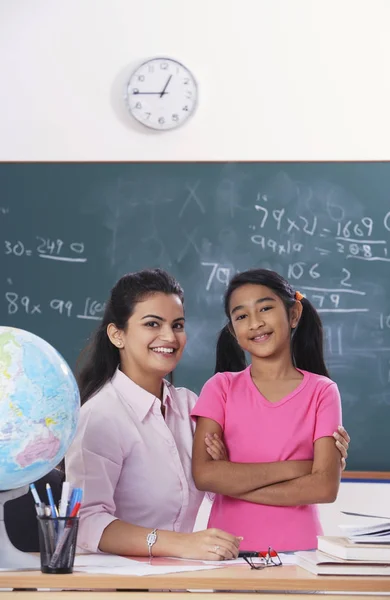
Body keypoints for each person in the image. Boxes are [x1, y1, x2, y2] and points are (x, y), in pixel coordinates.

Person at [66, 268, 349, 560]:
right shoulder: (99, 416)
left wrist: (322, 467)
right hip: (119, 580)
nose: (169, 336)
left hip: (179, 575)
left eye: (177, 325)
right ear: (117, 335)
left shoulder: (188, 407)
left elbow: (220, 483)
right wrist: (303, 466)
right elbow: (86, 521)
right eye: (152, 324)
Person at [191, 268, 349, 552]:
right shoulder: (220, 388)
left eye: (265, 308)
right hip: (229, 552)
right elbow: (205, 476)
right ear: (233, 331)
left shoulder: (323, 391)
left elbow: (324, 488)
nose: (255, 323)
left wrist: (233, 478)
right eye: (241, 316)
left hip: (300, 556)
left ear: (293, 314)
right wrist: (300, 468)